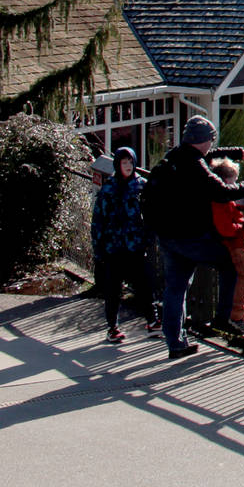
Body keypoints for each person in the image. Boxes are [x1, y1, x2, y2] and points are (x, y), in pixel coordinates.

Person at [153, 116, 244, 360]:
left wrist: (238, 152)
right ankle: (225, 318)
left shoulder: (175, 157)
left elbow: (212, 155)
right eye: (211, 141)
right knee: (230, 264)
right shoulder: (196, 166)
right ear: (204, 141)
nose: (212, 146)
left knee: (175, 288)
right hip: (188, 237)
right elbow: (222, 191)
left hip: (167, 235)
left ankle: (176, 343)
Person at [89, 146, 158, 342]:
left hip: (135, 245)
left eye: (130, 162)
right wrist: (98, 247)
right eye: (123, 162)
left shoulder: (141, 186)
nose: (127, 166)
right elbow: (98, 220)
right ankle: (112, 327)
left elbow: (151, 213)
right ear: (117, 165)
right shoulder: (109, 188)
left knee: (144, 285)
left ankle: (152, 321)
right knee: (113, 289)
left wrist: (147, 237)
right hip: (113, 247)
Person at [208, 154, 244, 338]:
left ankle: (232, 315)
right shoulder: (221, 201)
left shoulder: (222, 198)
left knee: (238, 277)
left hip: (232, 244)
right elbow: (227, 229)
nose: (236, 185)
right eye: (234, 181)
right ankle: (237, 316)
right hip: (234, 245)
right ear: (226, 180)